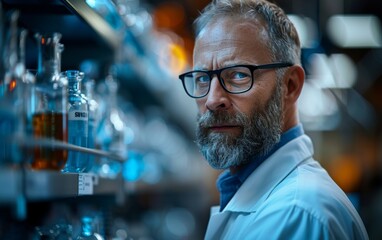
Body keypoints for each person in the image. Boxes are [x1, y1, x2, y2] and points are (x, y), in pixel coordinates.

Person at [178, 0, 369, 239]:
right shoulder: (266, 198)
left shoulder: (298, 214)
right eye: (202, 79)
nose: (212, 100)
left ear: (290, 85)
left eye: (238, 75)